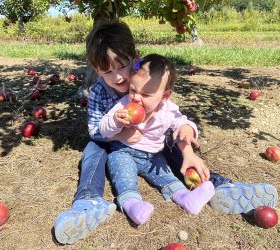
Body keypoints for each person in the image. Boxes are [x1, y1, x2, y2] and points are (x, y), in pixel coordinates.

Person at [53, 21, 278, 244]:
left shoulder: (147, 80)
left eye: (122, 66)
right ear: (96, 69)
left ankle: (216, 186)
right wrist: (120, 134)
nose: (118, 77)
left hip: (150, 145)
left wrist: (188, 151)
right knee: (94, 148)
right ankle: (88, 202)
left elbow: (175, 120)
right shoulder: (99, 92)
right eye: (107, 71)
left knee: (172, 139)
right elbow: (94, 130)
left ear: (136, 58)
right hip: (114, 143)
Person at [99, 54, 216, 224]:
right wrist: (115, 121)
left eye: (146, 95)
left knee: (168, 177)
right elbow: (103, 129)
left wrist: (187, 129)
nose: (137, 98)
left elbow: (182, 123)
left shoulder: (168, 110)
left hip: (153, 157)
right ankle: (132, 203)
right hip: (123, 152)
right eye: (133, 90)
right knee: (124, 177)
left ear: (165, 96)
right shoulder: (124, 105)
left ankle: (185, 197)